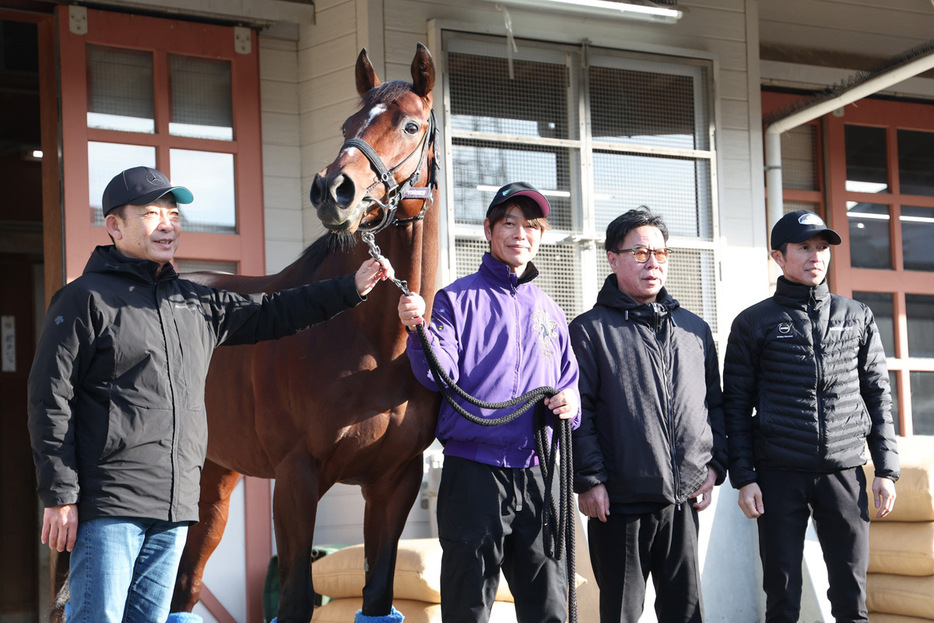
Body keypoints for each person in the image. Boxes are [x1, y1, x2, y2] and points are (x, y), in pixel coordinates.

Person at [27, 166, 393, 623]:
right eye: (151, 214)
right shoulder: (83, 300)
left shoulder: (194, 301)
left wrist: (350, 288)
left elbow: (275, 311)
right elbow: (49, 400)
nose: (167, 224)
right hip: (110, 506)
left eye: (174, 214)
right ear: (115, 226)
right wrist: (60, 495)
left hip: (175, 507)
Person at [396, 182, 580, 623]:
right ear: (489, 230)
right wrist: (418, 329)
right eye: (510, 223)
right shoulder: (456, 299)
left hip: (540, 471)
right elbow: (439, 373)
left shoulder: (550, 310)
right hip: (474, 471)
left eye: (531, 226)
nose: (521, 234)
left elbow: (569, 382)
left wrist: (570, 404)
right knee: (469, 603)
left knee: (549, 602)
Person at [723, 209, 900, 623]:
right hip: (778, 474)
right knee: (782, 596)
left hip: (844, 472)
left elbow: (878, 395)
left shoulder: (856, 316)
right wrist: (745, 477)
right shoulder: (754, 322)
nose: (815, 256)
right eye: (803, 247)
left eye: (822, 247)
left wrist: (886, 471)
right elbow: (735, 404)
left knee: (851, 595)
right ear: (778, 257)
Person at [570, 207, 727, 623]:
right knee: (622, 613)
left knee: (686, 611)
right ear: (612, 257)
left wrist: (714, 467)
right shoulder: (589, 330)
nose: (653, 262)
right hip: (619, 502)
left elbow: (715, 404)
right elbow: (577, 414)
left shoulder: (693, 329)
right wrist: (589, 480)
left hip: (683, 500)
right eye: (639, 252)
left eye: (660, 252)